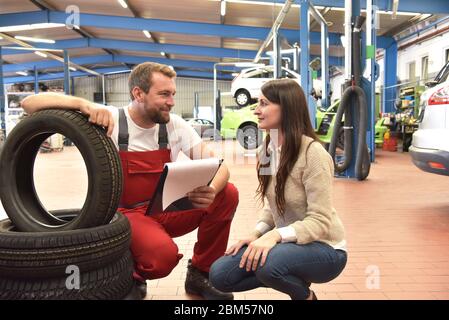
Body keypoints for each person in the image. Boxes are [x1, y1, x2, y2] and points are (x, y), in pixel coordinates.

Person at [21, 62, 239, 300]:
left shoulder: (174, 125)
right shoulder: (110, 120)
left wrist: (211, 188)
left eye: (173, 94)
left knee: (227, 193)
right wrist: (82, 104)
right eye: (164, 94)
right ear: (138, 93)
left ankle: (200, 273)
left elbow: (220, 166)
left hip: (165, 209)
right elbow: (29, 104)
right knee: (161, 259)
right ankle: (128, 275)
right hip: (127, 214)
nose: (172, 101)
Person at [209, 79, 347, 300]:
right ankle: (290, 269)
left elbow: (321, 221)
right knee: (220, 275)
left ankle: (305, 296)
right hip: (289, 243)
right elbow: (272, 204)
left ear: (287, 107)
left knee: (268, 264)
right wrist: (256, 234)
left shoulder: (314, 154)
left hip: (326, 248)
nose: (256, 110)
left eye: (264, 103)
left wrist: (274, 236)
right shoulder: (268, 151)